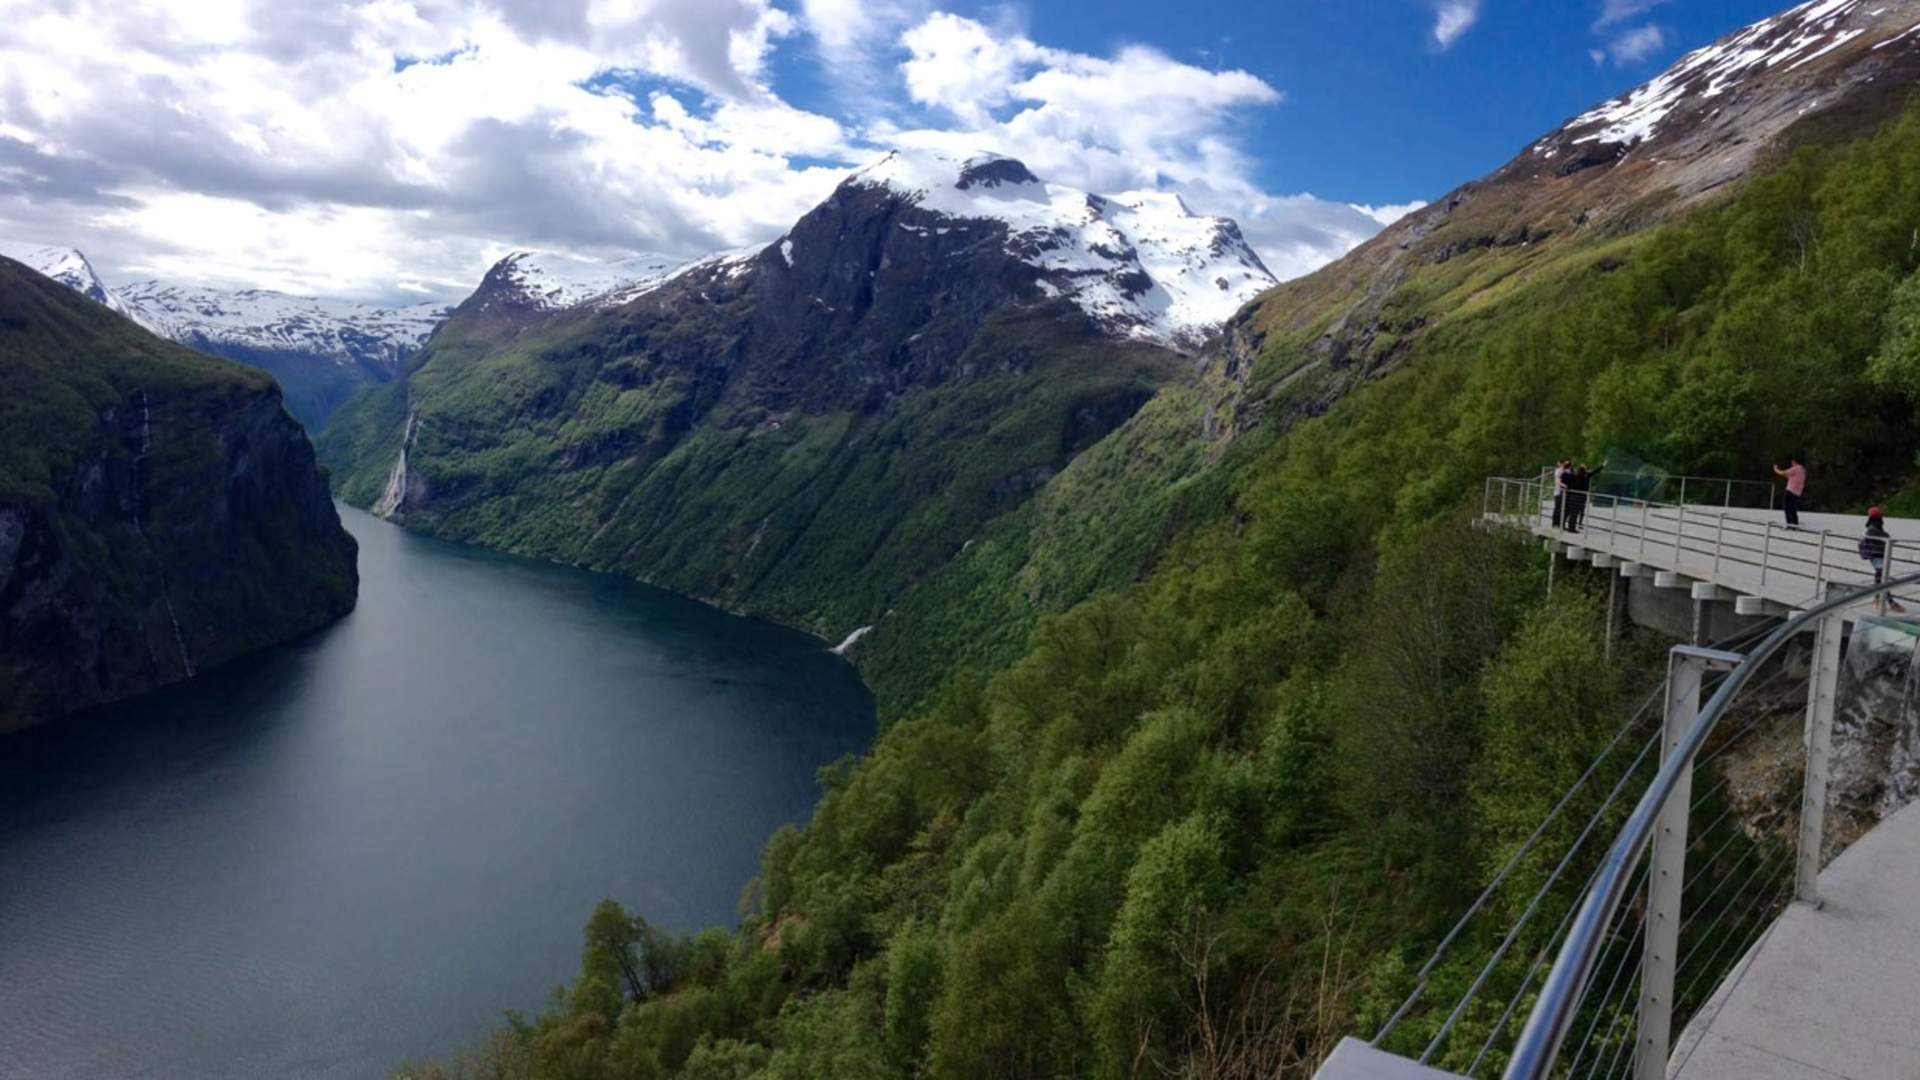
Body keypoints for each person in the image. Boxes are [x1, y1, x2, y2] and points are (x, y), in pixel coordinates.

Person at [1860, 507, 1906, 613]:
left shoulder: (1872, 527)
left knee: (1879, 576)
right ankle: (1890, 602)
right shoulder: (1874, 528)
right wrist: (1888, 539)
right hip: (1877, 556)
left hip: (1878, 555)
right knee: (1881, 576)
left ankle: (1877, 599)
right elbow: (1882, 536)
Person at [1773, 455, 1807, 530]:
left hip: (1790, 490)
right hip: (1797, 492)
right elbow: (1789, 476)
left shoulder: (1795, 468)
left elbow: (1782, 473)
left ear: (1795, 461)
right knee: (1793, 508)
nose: (1791, 463)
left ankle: (1789, 524)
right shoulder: (1803, 470)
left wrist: (1775, 469)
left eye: (1792, 461)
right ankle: (1795, 524)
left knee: (1787, 507)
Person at [1565, 463, 1593, 533]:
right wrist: (1602, 466)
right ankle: (1572, 528)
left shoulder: (1574, 476)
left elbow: (1570, 473)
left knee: (1572, 513)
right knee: (1576, 513)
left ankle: (1570, 527)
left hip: (1572, 496)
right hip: (1580, 497)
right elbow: (1593, 472)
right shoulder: (1585, 477)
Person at [1551, 459, 1571, 529]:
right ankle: (1554, 523)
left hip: (1563, 493)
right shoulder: (1559, 471)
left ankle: (1560, 523)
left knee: (1562, 508)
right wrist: (1564, 485)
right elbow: (1557, 481)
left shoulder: (1565, 471)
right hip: (1558, 492)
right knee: (1557, 508)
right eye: (1565, 464)